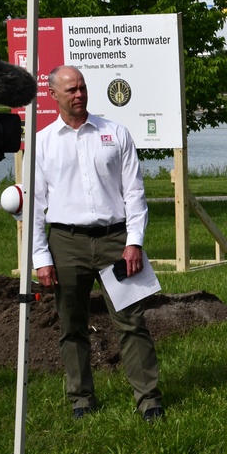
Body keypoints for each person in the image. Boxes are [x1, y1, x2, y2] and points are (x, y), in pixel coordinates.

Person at [30, 65, 164, 422]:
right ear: (53, 95)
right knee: (71, 325)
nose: (79, 94)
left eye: (83, 87)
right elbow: (35, 205)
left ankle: (149, 401)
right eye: (71, 89)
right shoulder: (43, 142)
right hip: (66, 243)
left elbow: (134, 192)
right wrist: (41, 257)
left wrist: (134, 241)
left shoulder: (115, 133)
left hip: (115, 241)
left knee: (132, 323)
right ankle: (81, 399)